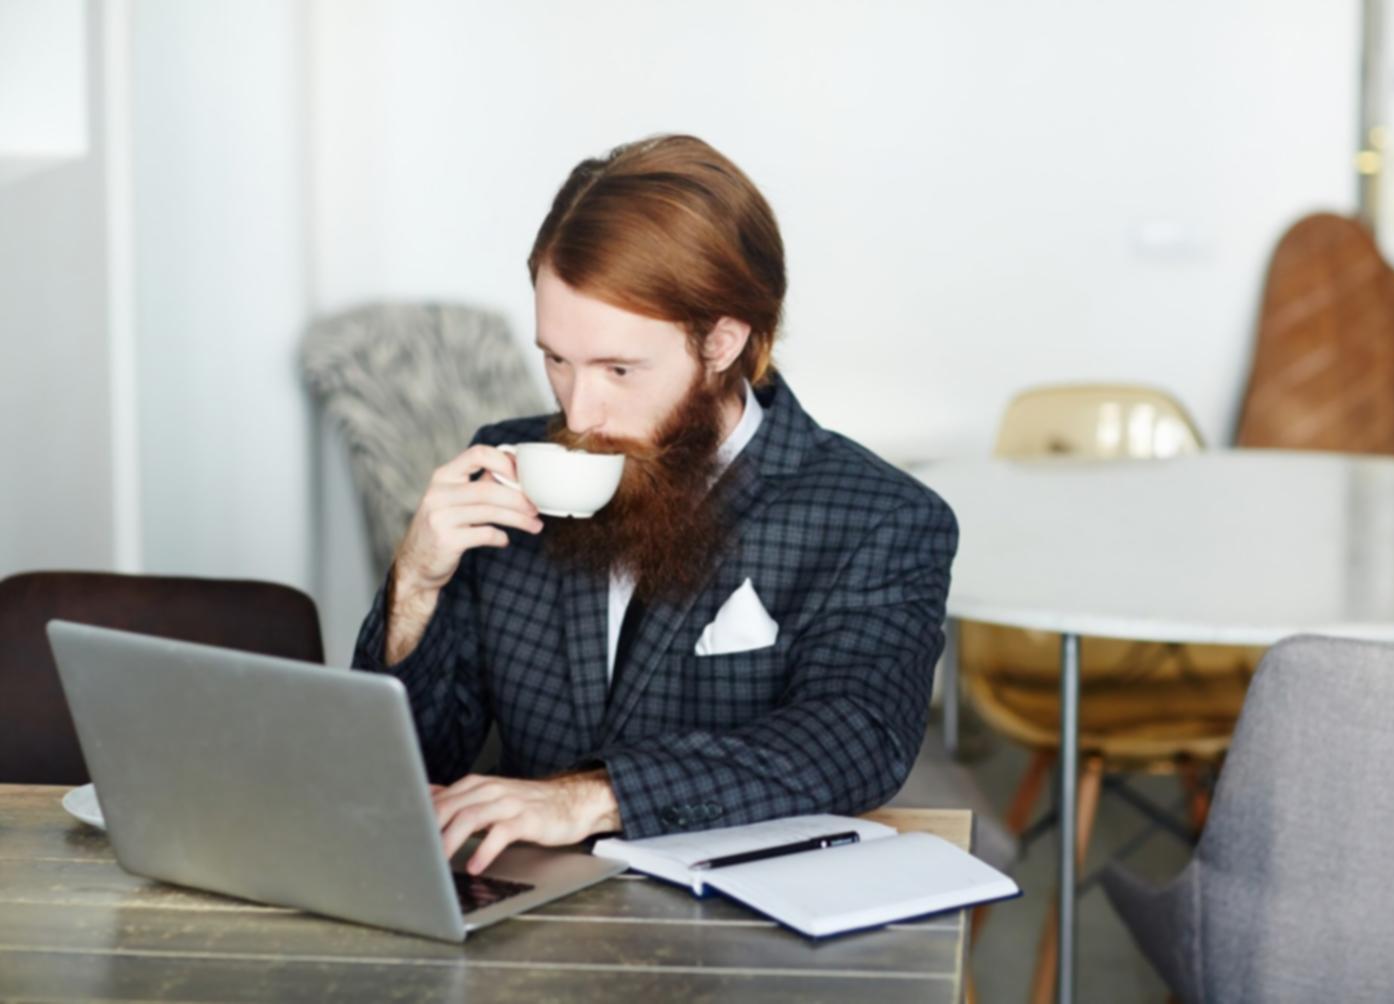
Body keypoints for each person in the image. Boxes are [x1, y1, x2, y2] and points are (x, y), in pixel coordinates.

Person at [353, 134, 958, 876]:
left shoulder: (879, 517)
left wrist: (591, 797)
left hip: (742, 931)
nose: (580, 413)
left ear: (722, 342)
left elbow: (852, 741)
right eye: (556, 360)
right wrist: (415, 584)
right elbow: (416, 767)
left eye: (618, 368)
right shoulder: (509, 469)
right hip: (518, 908)